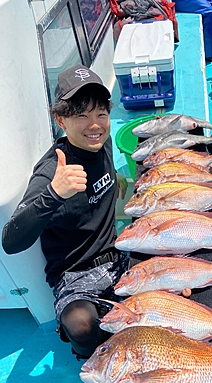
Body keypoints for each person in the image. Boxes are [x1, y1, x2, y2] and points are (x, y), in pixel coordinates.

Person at [2, 65, 129, 359]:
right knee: (82, 327)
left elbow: (104, 177)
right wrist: (54, 194)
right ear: (60, 119)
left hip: (118, 257)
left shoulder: (103, 142)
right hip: (75, 277)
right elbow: (10, 241)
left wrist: (118, 180)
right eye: (81, 115)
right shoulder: (51, 173)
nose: (94, 124)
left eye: (101, 113)